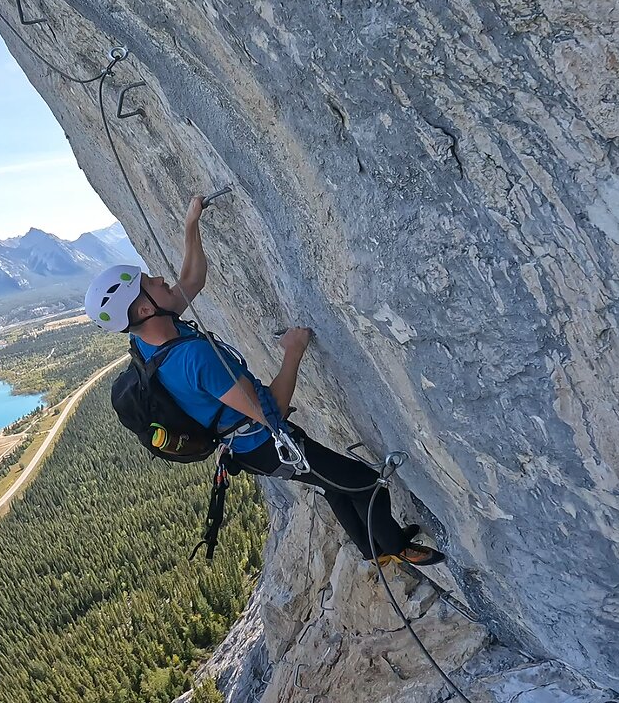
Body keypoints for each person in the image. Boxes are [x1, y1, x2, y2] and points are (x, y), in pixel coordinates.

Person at [85, 194, 444, 566]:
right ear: (146, 308)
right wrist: (293, 352)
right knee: (365, 483)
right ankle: (397, 549)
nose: (161, 279)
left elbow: (191, 280)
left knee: (334, 483)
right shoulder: (194, 358)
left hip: (247, 443)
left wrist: (192, 225)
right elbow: (270, 412)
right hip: (261, 444)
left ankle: (375, 552)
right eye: (151, 282)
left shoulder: (148, 338)